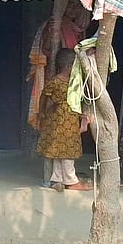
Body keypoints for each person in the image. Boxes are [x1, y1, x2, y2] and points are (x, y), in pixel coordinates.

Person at [36, 47, 92, 191]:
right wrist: (41, 113)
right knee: (68, 150)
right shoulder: (66, 82)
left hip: (57, 119)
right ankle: (71, 181)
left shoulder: (58, 81)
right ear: (69, 67)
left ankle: (57, 179)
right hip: (66, 120)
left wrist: (42, 112)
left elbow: (43, 96)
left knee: (58, 149)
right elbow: (44, 96)